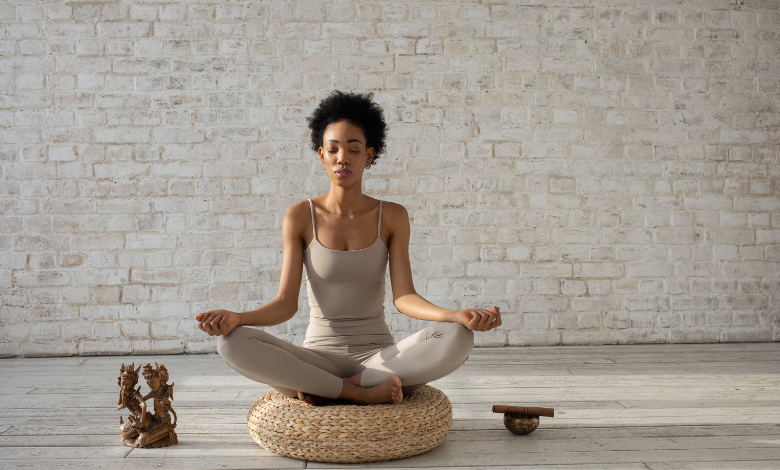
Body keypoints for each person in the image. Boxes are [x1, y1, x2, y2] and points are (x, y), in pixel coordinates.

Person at [195, 90, 501, 406]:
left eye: (354, 149)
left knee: (459, 336)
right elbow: (285, 304)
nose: (343, 157)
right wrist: (237, 318)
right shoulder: (300, 216)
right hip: (317, 357)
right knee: (231, 344)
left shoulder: (392, 216)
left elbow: (404, 297)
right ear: (321, 155)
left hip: (381, 358)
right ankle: (356, 392)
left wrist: (454, 315)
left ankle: (332, 388)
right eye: (333, 149)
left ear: (368, 155)